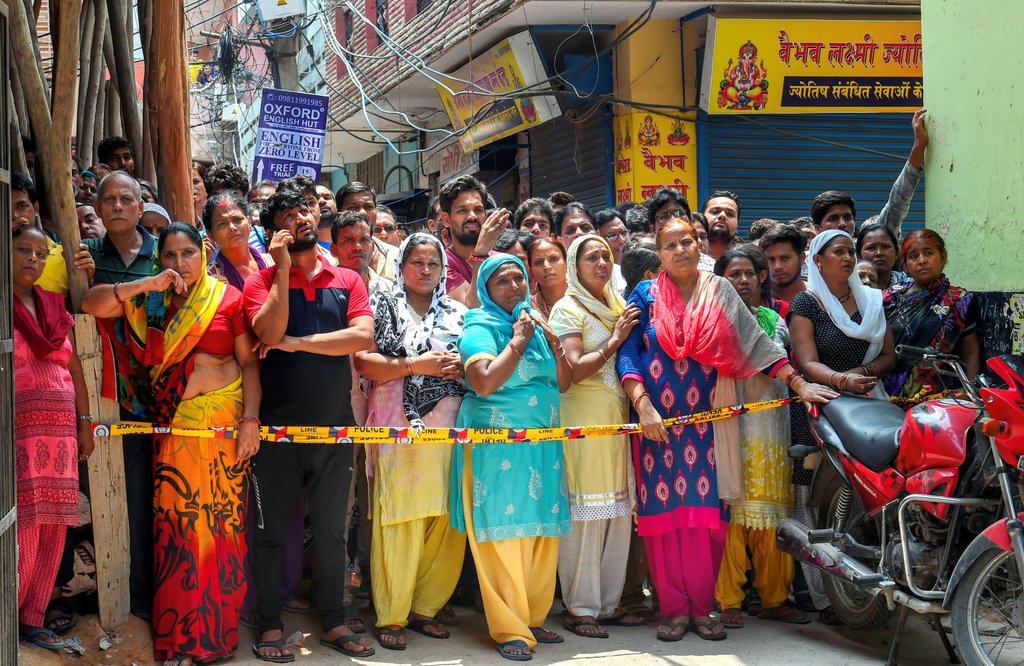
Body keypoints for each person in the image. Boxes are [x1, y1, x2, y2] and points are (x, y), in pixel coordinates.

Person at [616, 218, 834, 643]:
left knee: (705, 522)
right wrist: (643, 407)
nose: (680, 249)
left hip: (708, 427)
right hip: (656, 428)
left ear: (699, 246)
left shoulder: (719, 292)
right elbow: (629, 357)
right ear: (658, 254)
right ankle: (674, 609)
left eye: (687, 241)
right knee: (665, 522)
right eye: (670, 244)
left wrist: (799, 383)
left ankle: (702, 607)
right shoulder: (645, 294)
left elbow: (757, 343)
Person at [83, 223, 260, 666]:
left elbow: (250, 366)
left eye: (187, 254)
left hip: (222, 436)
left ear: (203, 255)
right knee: (180, 534)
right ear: (159, 260)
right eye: (170, 256)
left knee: (220, 532)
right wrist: (148, 283)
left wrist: (251, 421)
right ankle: (182, 640)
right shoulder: (151, 301)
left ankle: (215, 639)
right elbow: (91, 304)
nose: (179, 264)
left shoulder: (227, 299)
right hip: (174, 434)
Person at [242, 188, 375, 662]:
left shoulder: (347, 279)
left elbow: (361, 337)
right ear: (273, 229)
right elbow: (268, 333)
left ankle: (334, 619)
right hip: (276, 431)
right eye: (286, 215)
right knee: (271, 529)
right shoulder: (261, 281)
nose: (299, 218)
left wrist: (299, 344)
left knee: (332, 531)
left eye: (305, 211)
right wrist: (280, 270)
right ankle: (271, 622)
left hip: (334, 429)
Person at [451, 254, 572, 661]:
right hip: (497, 446)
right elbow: (483, 381)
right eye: (502, 281)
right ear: (485, 288)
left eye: (519, 278)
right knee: (503, 533)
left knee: (540, 531)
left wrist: (552, 342)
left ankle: (533, 617)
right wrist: (518, 340)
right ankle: (510, 628)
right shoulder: (479, 325)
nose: (514, 287)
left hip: (543, 447)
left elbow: (565, 382)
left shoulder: (534, 324)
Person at [353, 233, 468, 650]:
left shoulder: (457, 311)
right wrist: (412, 365)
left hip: (449, 424)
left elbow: (474, 360)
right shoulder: (383, 305)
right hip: (397, 421)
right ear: (401, 266)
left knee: (443, 516)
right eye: (416, 262)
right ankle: (392, 613)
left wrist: (462, 365)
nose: (424, 270)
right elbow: (364, 361)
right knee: (400, 516)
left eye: (432, 264)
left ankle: (425, 607)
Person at [548, 235, 644, 638]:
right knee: (585, 518)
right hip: (584, 425)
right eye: (592, 257)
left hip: (616, 425)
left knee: (617, 515)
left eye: (606, 255)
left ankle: (606, 604)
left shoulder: (616, 304)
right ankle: (581, 608)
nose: (602, 263)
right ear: (575, 265)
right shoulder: (568, 309)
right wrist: (615, 340)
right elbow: (574, 369)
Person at [713, 246, 809, 628]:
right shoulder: (712, 319)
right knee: (733, 519)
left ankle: (774, 598)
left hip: (771, 430)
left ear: (761, 278)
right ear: (720, 281)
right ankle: (729, 601)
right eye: (734, 274)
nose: (743, 281)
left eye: (749, 273)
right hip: (731, 430)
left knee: (771, 519)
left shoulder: (775, 320)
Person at [84, 171, 161, 618]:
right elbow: (87, 306)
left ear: (139, 205)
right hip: (113, 398)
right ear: (98, 205)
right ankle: (134, 597)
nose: (116, 206)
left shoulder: (163, 252)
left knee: (164, 497)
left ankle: (164, 590)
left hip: (165, 394)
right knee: (127, 499)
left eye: (125, 199)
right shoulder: (87, 256)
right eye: (108, 199)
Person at [13, 225, 93, 651]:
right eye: (23, 250)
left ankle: (32, 616)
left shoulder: (52, 307)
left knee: (55, 527)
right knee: (25, 525)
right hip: (19, 438)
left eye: (41, 253)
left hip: (60, 437)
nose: (33, 259)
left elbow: (76, 369)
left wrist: (84, 422)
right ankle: (10, 615)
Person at [883, 230, 980, 400]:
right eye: (913, 256)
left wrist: (970, 391)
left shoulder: (959, 300)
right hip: (883, 392)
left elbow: (970, 350)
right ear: (904, 265)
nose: (922, 260)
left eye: (929, 253)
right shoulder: (889, 297)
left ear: (943, 257)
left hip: (935, 397)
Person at [437, 176, 508, 307]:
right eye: (462, 210)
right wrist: (480, 254)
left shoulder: (501, 260)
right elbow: (471, 308)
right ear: (446, 219)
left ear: (485, 215)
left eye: (478, 210)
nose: (472, 216)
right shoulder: (441, 264)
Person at [205, 191, 271, 291]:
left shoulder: (271, 261)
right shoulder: (211, 280)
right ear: (211, 235)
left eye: (237, 219)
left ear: (249, 221)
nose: (232, 227)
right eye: (222, 224)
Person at [338, 182, 398, 281]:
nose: (362, 213)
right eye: (353, 208)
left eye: (368, 207)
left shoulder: (396, 255)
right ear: (339, 213)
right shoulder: (327, 260)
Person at [760, 224, 808, 307]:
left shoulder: (820, 297)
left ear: (802, 258)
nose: (777, 266)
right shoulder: (757, 299)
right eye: (771, 259)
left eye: (785, 258)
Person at [856, 221, 906, 290]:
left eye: (885, 246)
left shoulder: (910, 287)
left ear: (896, 253)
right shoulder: (848, 288)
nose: (879, 253)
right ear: (859, 256)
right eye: (871, 248)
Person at [526, 236, 567, 319]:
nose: (546, 266)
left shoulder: (585, 297)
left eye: (554, 259)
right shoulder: (528, 308)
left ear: (567, 264)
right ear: (531, 272)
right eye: (538, 262)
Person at [701, 190, 741, 258]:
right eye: (715, 212)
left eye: (730, 214)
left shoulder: (748, 261)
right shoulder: (685, 259)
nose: (722, 216)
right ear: (702, 218)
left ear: (737, 223)